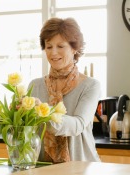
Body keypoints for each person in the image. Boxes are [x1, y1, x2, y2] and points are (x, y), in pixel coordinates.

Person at [28, 17, 101, 163]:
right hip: (44, 167)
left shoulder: (90, 85)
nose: (53, 53)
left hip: (82, 168)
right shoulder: (34, 86)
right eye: (49, 47)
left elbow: (78, 124)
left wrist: (45, 113)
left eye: (60, 46)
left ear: (74, 48)